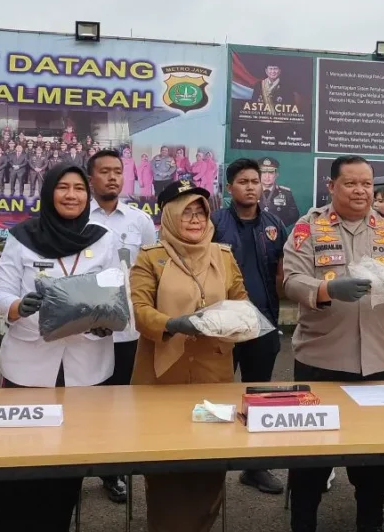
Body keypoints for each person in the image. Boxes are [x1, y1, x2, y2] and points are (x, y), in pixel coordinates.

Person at [283, 155, 384, 532]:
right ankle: (303, 525)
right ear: (331, 186)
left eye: (367, 184)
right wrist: (327, 289)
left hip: (379, 362)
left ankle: (371, 523)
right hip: (321, 361)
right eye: (351, 183)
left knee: (373, 462)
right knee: (312, 460)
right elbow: (291, 281)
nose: (360, 191)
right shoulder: (308, 227)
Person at [0, 164, 121, 531]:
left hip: (85, 365)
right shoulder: (22, 237)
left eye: (79, 188)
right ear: (48, 193)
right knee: (17, 454)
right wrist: (17, 306)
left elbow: (114, 289)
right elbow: (0, 292)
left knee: (69, 459)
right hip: (28, 365)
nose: (71, 195)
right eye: (63, 187)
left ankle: (57, 522)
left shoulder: (103, 238)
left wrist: (107, 318)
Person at [129, 179, 249, 532]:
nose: (195, 219)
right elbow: (138, 310)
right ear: (169, 215)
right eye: (186, 213)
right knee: (165, 464)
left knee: (210, 462)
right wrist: (172, 324)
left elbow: (241, 300)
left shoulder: (223, 256)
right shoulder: (151, 257)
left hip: (214, 374)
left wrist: (235, 320)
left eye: (201, 212)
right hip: (162, 377)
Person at [210, 158, 287, 495]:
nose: (251, 187)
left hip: (263, 323)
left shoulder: (274, 224)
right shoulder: (214, 222)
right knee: (217, 397)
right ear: (230, 188)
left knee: (259, 396)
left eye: (255, 181)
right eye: (243, 182)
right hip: (222, 324)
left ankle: (255, 468)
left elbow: (281, 272)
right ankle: (209, 468)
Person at [86, 149, 158, 504]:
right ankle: (71, 468)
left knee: (118, 400)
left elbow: (151, 269)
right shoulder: (76, 217)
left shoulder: (139, 220)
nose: (113, 177)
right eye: (105, 171)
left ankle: (112, 470)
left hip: (127, 327)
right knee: (84, 401)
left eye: (117, 171)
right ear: (91, 179)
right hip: (83, 327)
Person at [258, 156, 299, 226]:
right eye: (263, 172)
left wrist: (278, 224)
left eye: (271, 172)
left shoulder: (286, 193)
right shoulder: (251, 193)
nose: (267, 176)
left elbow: (294, 215)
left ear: (276, 175)